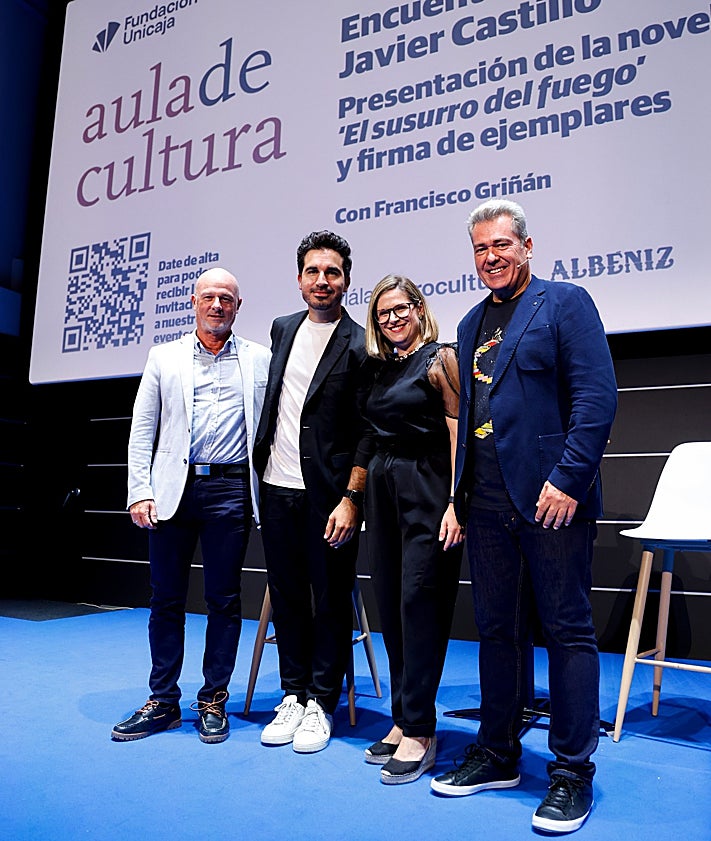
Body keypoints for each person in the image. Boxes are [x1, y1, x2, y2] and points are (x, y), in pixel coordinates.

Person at [431, 200, 617, 834]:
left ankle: (570, 773)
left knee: (567, 631)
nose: (492, 257)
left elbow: (596, 400)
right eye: (481, 249)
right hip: (485, 503)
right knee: (498, 631)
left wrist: (568, 478)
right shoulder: (467, 322)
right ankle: (499, 753)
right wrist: (458, 496)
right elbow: (470, 416)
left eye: (502, 245)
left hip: (550, 500)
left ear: (528, 245)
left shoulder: (566, 303)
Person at [112, 267, 270, 744]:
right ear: (194, 302)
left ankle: (213, 700)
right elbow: (143, 428)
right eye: (209, 297)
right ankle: (162, 700)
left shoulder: (260, 359)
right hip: (171, 491)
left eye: (227, 298)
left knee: (224, 600)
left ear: (238, 307)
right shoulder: (165, 356)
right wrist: (139, 489)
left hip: (231, 490)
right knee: (166, 600)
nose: (217, 305)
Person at [253, 230, 371, 753]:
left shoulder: (362, 342)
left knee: (329, 601)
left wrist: (352, 496)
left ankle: (322, 701)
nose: (322, 281)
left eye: (333, 272)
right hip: (277, 489)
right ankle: (294, 694)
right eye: (312, 272)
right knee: (287, 598)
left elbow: (370, 428)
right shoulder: (282, 330)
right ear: (299, 278)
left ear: (346, 279)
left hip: (330, 498)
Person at [360, 275, 464, 785]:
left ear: (419, 309)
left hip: (427, 491)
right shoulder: (382, 369)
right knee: (393, 607)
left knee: (420, 606)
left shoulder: (441, 359)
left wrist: (454, 502)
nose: (393, 319)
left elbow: (457, 430)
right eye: (383, 314)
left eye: (401, 309)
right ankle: (404, 718)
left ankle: (422, 731)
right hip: (383, 493)